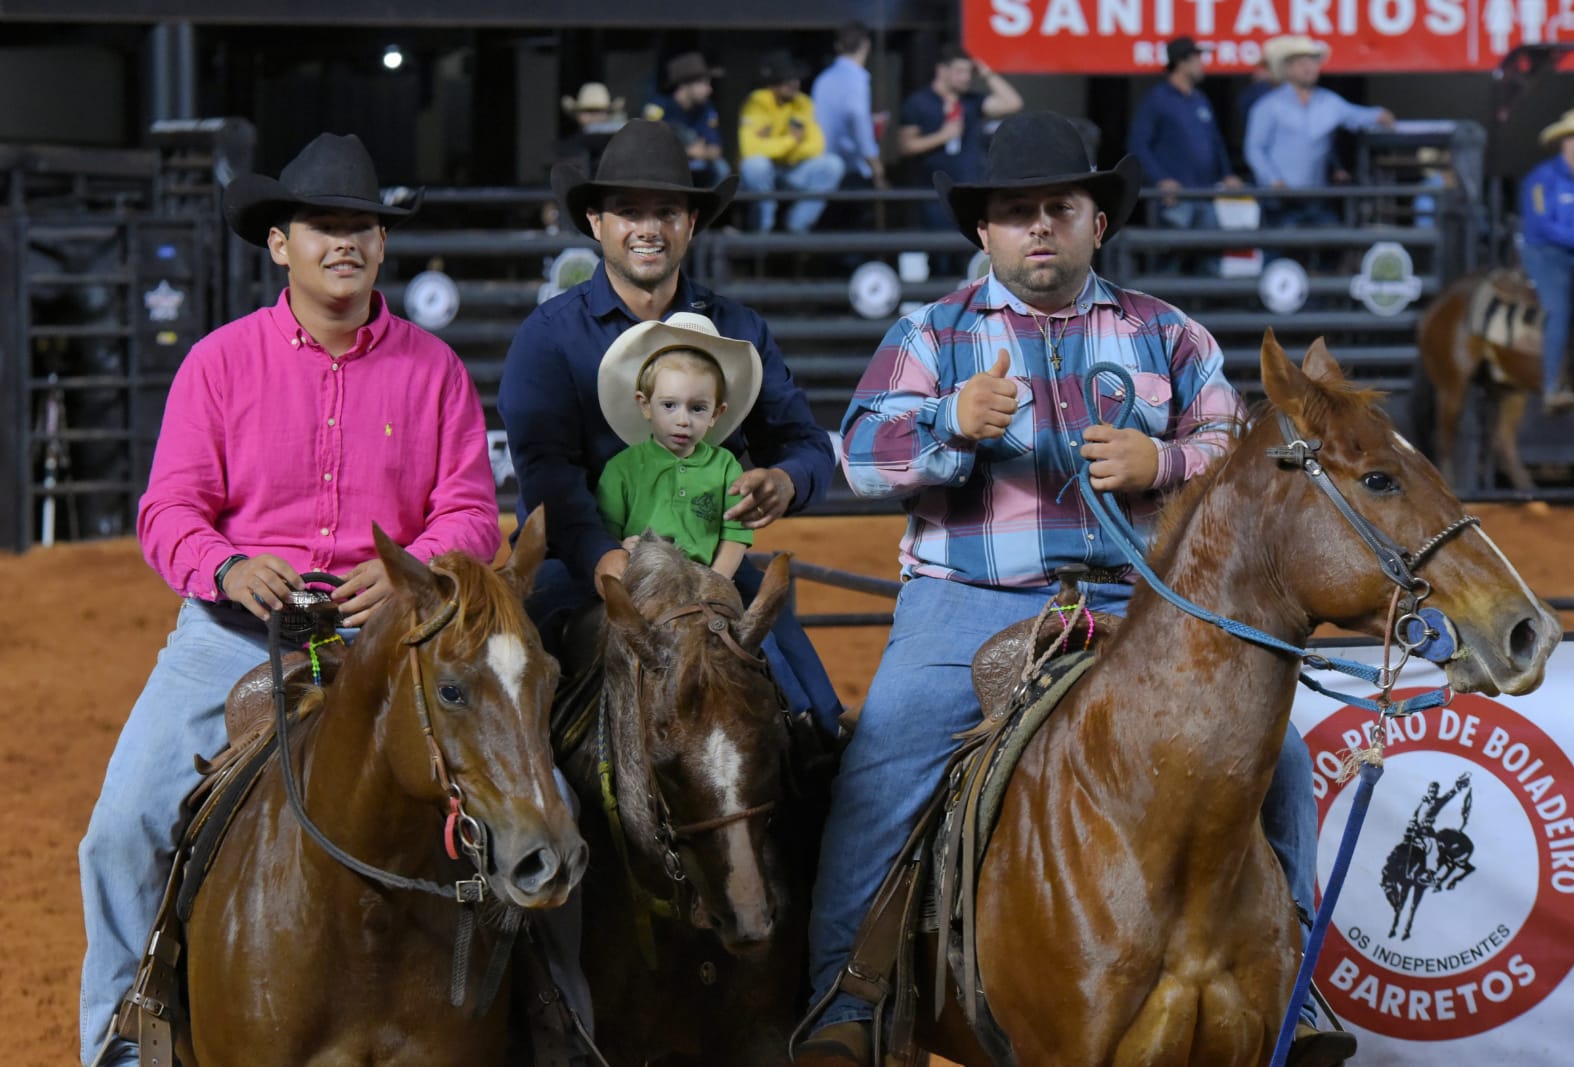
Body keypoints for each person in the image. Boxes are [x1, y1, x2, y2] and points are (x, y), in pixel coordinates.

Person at [794, 111, 1353, 1067]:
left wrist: (1164, 458)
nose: (1039, 227)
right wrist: (950, 420)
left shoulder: (1166, 333)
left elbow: (1239, 445)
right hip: (970, 599)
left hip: (1143, 608)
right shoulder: (931, 334)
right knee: (887, 752)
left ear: (1101, 222)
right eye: (1017, 213)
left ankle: (1295, 992)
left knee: (1286, 762)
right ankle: (848, 988)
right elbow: (860, 457)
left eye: (1061, 207)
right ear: (984, 233)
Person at [77, 133, 504, 1066]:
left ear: (382, 246)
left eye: (363, 226)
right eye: (323, 226)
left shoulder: (435, 371)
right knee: (118, 832)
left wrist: (407, 568)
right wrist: (226, 567)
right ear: (281, 243)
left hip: (390, 642)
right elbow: (169, 509)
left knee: (520, 807)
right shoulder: (219, 364)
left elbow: (474, 515)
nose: (345, 242)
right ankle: (121, 1043)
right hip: (233, 635)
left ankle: (545, 1017)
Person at [496, 118, 845, 736]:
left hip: (711, 567)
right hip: (578, 569)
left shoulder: (741, 329)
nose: (648, 228)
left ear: (690, 224)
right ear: (597, 224)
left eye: (667, 211)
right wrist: (605, 558)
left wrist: (786, 482)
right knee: (521, 734)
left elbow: (804, 443)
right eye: (628, 211)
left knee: (809, 719)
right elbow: (548, 474)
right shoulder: (549, 337)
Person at [595, 313, 764, 578]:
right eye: (669, 405)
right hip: (641, 582)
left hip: (705, 580)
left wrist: (716, 583)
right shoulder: (621, 468)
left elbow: (735, 535)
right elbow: (605, 534)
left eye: (698, 408)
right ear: (645, 405)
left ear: (716, 414)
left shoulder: (726, 466)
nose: (683, 421)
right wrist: (619, 547)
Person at [1244, 35, 1394, 229]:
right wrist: (1273, 180)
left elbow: (1356, 114)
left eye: (1312, 62)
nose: (1308, 68)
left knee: (1331, 243)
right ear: (1288, 69)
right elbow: (1254, 149)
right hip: (1280, 199)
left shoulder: (1329, 102)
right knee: (1281, 252)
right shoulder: (1268, 106)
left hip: (1316, 197)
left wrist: (1379, 114)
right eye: (1301, 63)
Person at [1127, 34, 1242, 271]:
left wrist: (1227, 173)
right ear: (1182, 62)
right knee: (1170, 260)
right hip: (1175, 200)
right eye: (1197, 57)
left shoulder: (1200, 99)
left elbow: (1216, 142)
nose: (1203, 63)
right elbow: (1137, 145)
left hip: (1206, 195)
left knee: (1210, 258)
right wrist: (1160, 180)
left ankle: (1209, 307)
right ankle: (1161, 309)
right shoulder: (1157, 100)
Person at [1519, 105, 1574, 413]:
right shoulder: (1542, 179)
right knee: (1560, 308)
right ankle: (1552, 386)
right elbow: (1540, 224)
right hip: (1545, 255)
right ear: (1567, 142)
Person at [897, 44, 1024, 231]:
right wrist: (943, 136)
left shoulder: (972, 101)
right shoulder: (918, 102)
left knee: (969, 251)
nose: (966, 77)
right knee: (938, 252)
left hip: (969, 192)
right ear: (942, 70)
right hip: (933, 195)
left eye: (968, 72)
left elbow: (1013, 103)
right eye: (959, 71)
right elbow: (905, 146)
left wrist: (987, 73)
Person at [737, 50, 846, 234]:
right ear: (773, 83)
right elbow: (751, 149)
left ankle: (797, 227)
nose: (794, 83)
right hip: (766, 174)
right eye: (787, 79)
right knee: (756, 165)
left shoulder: (803, 103)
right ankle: (763, 231)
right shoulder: (757, 101)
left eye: (796, 79)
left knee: (833, 164)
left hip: (793, 170)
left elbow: (816, 146)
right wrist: (791, 141)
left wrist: (779, 148)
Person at [812, 21, 888, 195]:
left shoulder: (823, 79)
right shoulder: (857, 80)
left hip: (824, 166)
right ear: (866, 45)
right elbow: (857, 117)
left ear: (837, 45)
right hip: (852, 170)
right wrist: (875, 165)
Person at [642, 51, 730, 189]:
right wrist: (686, 151)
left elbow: (716, 148)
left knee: (721, 167)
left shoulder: (706, 109)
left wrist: (703, 153)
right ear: (683, 85)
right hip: (666, 167)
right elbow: (646, 145)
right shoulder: (659, 106)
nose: (709, 89)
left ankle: (709, 209)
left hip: (699, 164)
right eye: (702, 83)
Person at [554, 81, 628, 180]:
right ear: (578, 114)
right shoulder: (567, 147)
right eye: (588, 111)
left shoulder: (618, 145)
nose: (594, 116)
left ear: (608, 114)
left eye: (599, 111)